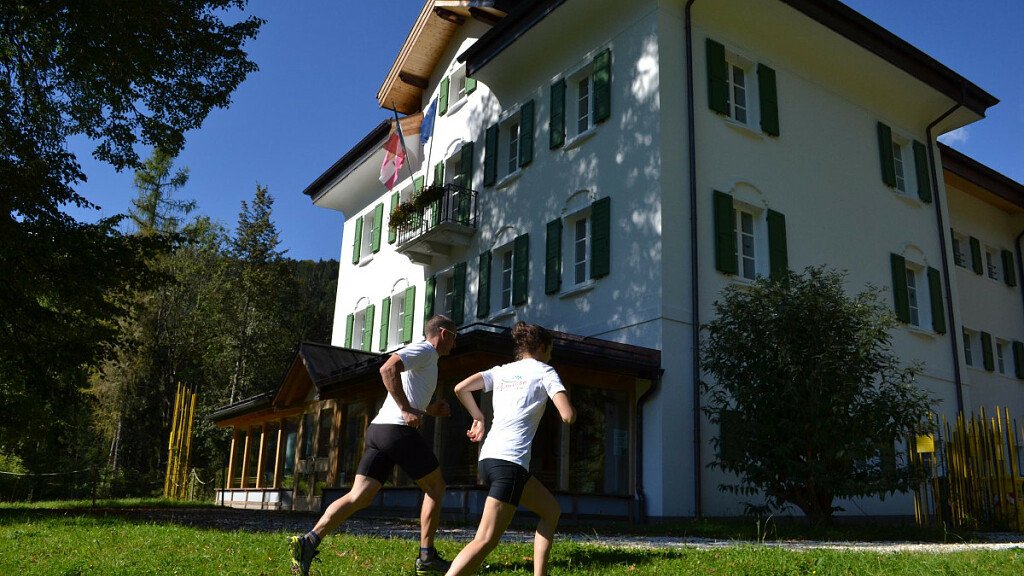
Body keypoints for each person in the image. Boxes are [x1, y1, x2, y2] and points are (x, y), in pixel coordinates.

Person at [289, 315, 458, 576]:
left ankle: (309, 542)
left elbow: (411, 399)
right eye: (454, 338)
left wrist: (428, 410)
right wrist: (405, 409)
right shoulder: (424, 349)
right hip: (396, 431)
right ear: (444, 334)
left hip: (380, 431)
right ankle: (427, 558)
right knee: (436, 487)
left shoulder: (429, 360)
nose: (455, 345)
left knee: (360, 496)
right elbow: (387, 369)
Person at [445, 321, 576, 576]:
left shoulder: (502, 371)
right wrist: (571, 411)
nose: (550, 356)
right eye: (550, 350)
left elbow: (461, 388)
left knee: (551, 511)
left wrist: (479, 417)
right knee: (486, 540)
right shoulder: (545, 371)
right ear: (541, 347)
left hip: (489, 459)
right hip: (510, 464)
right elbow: (567, 415)